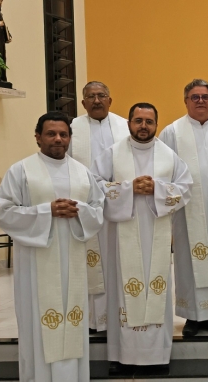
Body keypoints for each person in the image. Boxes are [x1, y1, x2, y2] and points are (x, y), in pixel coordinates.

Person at [0, 112, 104, 382]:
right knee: (37, 326)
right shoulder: (21, 171)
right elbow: (5, 212)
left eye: (63, 134)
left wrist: (79, 209)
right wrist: (47, 211)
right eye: (51, 134)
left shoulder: (82, 173)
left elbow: (98, 209)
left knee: (73, 321)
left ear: (70, 138)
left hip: (72, 259)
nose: (58, 139)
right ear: (38, 136)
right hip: (36, 264)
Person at [92, 103, 192, 373]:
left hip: (156, 234)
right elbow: (94, 185)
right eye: (138, 120)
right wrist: (127, 189)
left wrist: (157, 189)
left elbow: (185, 187)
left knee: (156, 290)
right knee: (124, 290)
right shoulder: (112, 153)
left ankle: (157, 356)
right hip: (122, 238)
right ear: (129, 123)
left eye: (149, 121)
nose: (143, 126)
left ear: (156, 124)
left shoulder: (169, 155)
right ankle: (123, 355)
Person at [159, 79, 208, 337]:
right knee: (186, 261)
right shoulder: (172, 132)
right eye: (194, 97)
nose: (200, 101)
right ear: (186, 101)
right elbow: (162, 170)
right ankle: (192, 315)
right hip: (184, 210)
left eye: (205, 96)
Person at [70, 81, 130, 333]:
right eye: (90, 97)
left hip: (121, 205)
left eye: (101, 95)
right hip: (86, 206)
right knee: (92, 263)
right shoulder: (72, 128)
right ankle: (95, 319)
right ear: (83, 102)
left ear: (110, 100)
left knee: (118, 261)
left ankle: (120, 315)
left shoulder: (125, 127)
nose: (96, 100)